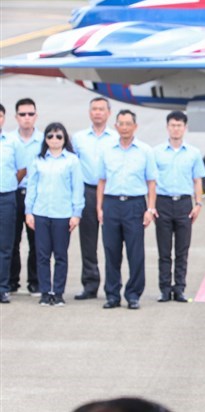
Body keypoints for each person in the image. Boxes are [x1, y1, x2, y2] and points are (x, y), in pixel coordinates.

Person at [97, 109, 157, 310]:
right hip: (112, 203)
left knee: (135, 252)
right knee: (111, 251)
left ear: (135, 126)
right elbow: (102, 181)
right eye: (120, 124)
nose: (124, 128)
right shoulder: (107, 150)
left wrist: (150, 208)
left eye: (128, 124)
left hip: (134, 205)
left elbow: (151, 183)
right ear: (116, 126)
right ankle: (112, 295)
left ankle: (133, 294)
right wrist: (100, 208)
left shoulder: (145, 150)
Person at [24, 123, 84, 306]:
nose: (54, 140)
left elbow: (77, 188)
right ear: (45, 139)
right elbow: (31, 187)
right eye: (50, 136)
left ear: (65, 138)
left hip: (62, 213)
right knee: (42, 255)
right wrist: (29, 211)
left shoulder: (72, 160)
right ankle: (44, 291)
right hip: (41, 212)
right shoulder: (38, 160)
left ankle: (58, 292)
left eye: (59, 136)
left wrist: (76, 213)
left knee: (60, 255)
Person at [153, 111, 205, 303]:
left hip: (184, 203)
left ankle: (180, 288)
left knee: (182, 250)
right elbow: (150, 181)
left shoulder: (193, 153)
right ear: (167, 127)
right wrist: (151, 206)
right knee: (164, 250)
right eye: (172, 125)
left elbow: (197, 180)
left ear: (185, 128)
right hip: (163, 202)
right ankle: (165, 289)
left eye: (179, 125)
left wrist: (198, 203)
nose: (176, 129)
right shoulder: (157, 152)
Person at [72, 97, 118, 300]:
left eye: (101, 109)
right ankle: (90, 285)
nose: (97, 112)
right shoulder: (79, 138)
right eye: (94, 109)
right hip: (87, 191)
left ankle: (112, 286)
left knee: (112, 241)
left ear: (108, 113)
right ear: (89, 112)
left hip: (110, 193)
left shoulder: (116, 137)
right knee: (88, 241)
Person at [10, 97, 43, 296]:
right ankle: (11, 280)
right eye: (22, 114)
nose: (27, 118)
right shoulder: (7, 140)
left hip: (35, 194)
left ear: (36, 116)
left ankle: (35, 281)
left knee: (36, 241)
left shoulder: (44, 140)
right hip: (14, 193)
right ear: (16, 117)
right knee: (10, 240)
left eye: (31, 114)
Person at [0, 103, 25, 304]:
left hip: (6, 198)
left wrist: (8, 183)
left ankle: (2, 287)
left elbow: (21, 169)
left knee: (6, 245)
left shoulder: (12, 141)